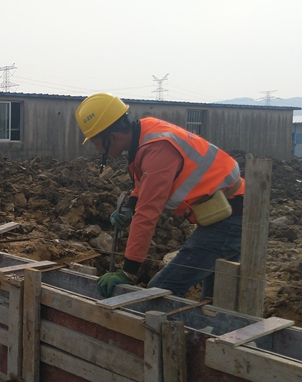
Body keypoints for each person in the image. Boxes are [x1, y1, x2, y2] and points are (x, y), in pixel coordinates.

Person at [74, 93, 244, 299]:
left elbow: (147, 213)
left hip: (229, 218)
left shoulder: (157, 149)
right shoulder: (145, 132)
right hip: (223, 213)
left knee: (161, 291)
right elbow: (146, 182)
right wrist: (129, 206)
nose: (98, 149)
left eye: (96, 143)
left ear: (113, 137)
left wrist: (128, 271)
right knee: (214, 300)